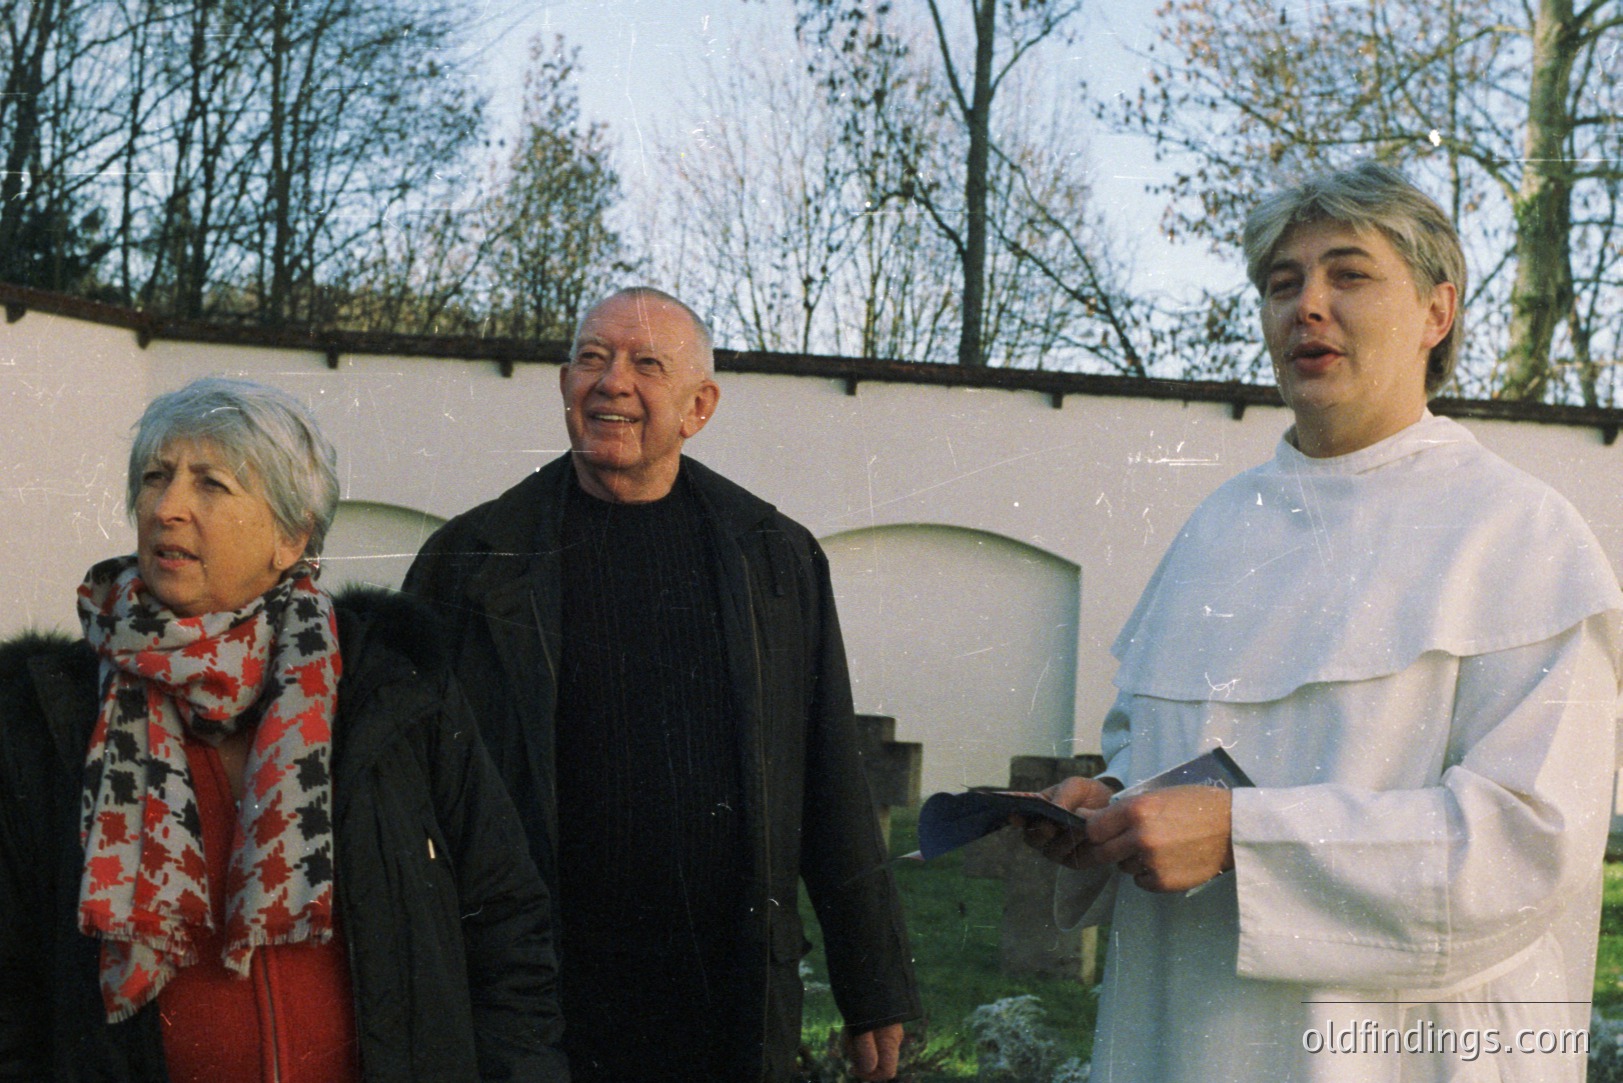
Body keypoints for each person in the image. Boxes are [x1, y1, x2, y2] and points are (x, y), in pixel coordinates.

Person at [1022, 162, 1623, 1081]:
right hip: (1179, 1036)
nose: (1306, 305)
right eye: (1281, 282)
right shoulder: (1214, 529)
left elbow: (1528, 844)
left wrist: (1239, 836)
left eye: (1348, 274)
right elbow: (1145, 745)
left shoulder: (1520, 534)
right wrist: (1106, 807)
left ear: (1436, 312)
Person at [404, 286, 919, 1082]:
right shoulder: (469, 560)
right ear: (564, 384)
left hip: (723, 999)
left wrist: (874, 981)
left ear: (698, 405)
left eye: (647, 363)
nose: (612, 382)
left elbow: (829, 778)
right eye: (591, 357)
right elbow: (409, 802)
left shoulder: (775, 558)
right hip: (533, 1001)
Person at [0, 377, 567, 1082]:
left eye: (211, 484)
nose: (168, 507)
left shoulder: (390, 690)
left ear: (291, 536)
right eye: (155, 477)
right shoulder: (49, 712)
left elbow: (507, 924)